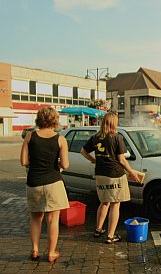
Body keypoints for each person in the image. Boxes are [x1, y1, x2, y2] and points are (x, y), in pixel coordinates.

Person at [81, 112, 141, 244]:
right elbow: (122, 159)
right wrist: (132, 172)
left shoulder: (96, 137)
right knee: (115, 204)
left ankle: (98, 229)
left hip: (100, 174)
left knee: (104, 202)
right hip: (115, 174)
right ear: (114, 122)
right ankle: (110, 236)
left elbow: (83, 151)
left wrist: (94, 160)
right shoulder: (116, 138)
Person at [20, 107, 69, 262]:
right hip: (53, 182)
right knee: (53, 220)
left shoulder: (30, 136)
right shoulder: (60, 139)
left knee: (35, 218)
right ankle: (51, 252)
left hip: (34, 182)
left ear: (39, 119)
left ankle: (35, 250)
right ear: (55, 120)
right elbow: (65, 165)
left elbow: (23, 161)